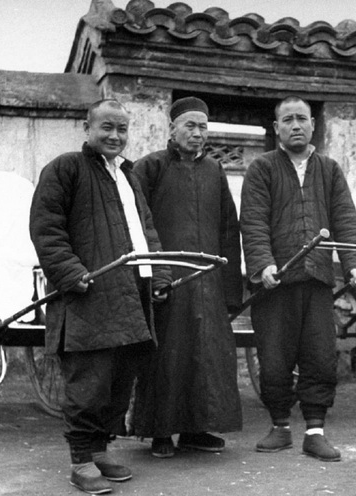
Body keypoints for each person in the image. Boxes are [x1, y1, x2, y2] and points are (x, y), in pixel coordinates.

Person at [30, 99, 171, 494]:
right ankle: (80, 459)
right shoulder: (65, 169)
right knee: (89, 379)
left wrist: (158, 274)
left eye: (122, 129)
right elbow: (46, 228)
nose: (115, 136)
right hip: (89, 293)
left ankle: (101, 449)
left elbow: (146, 231)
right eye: (106, 127)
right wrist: (71, 273)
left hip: (131, 291)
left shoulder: (128, 175)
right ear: (87, 128)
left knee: (119, 378)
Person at [240, 95, 356, 462]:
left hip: (317, 282)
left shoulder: (330, 170)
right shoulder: (261, 169)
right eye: (287, 119)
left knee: (320, 357)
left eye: (302, 119)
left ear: (313, 124)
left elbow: (345, 221)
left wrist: (353, 263)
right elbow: (254, 222)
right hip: (274, 284)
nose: (296, 125)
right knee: (275, 360)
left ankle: (314, 430)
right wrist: (263, 265)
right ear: (276, 127)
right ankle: (280, 426)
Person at [132, 97, 243, 458]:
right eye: (190, 126)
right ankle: (160, 433)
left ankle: (197, 429)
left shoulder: (214, 170)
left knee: (205, 355)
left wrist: (229, 287)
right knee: (167, 357)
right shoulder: (150, 168)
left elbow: (229, 227)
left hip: (207, 280)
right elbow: (137, 226)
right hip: (166, 279)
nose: (197, 134)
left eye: (203, 127)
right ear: (172, 129)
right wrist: (151, 278)